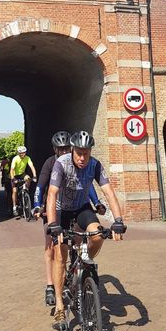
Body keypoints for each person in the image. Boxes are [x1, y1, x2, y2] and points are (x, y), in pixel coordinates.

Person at [46, 130, 126, 331]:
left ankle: (83, 262)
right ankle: (60, 306)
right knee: (60, 254)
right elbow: (52, 194)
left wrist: (118, 220)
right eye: (79, 153)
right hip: (61, 210)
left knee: (98, 234)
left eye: (86, 153)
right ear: (73, 150)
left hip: (82, 208)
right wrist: (53, 225)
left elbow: (108, 191)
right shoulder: (61, 163)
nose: (82, 158)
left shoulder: (95, 165)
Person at [33, 131, 106, 306]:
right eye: (61, 149)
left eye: (67, 148)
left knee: (79, 238)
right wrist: (37, 204)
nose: (64, 151)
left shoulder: (77, 164)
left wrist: (97, 203)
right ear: (55, 149)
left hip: (75, 206)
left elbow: (85, 185)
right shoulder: (52, 163)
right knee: (51, 246)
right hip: (52, 208)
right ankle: (51, 285)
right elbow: (41, 185)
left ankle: (77, 270)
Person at [10, 145, 37, 217]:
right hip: (15, 175)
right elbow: (12, 170)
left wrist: (34, 176)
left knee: (28, 178)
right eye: (21, 153)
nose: (23, 154)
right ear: (18, 153)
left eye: (24, 152)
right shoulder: (15, 159)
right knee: (15, 191)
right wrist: (13, 178)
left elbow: (32, 167)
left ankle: (25, 191)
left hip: (22, 174)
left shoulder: (27, 158)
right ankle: (14, 206)